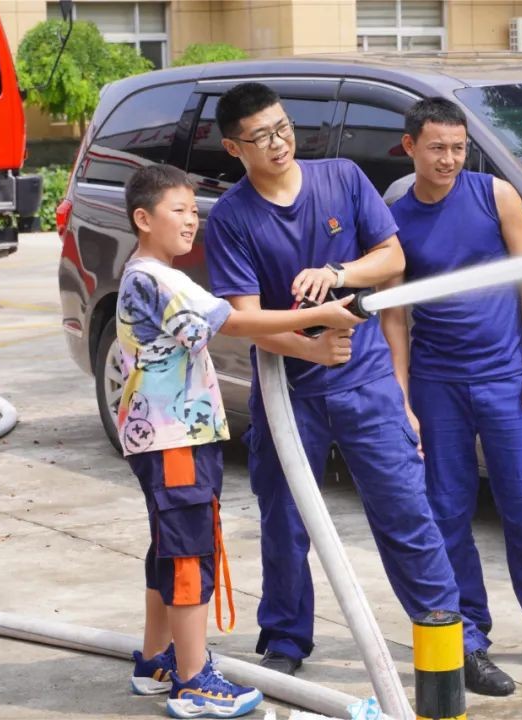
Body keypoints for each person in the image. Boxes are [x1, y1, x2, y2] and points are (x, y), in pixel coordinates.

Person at [203, 82, 469, 679]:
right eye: (261, 137)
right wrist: (312, 345)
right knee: (285, 518)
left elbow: (392, 258)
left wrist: (336, 273)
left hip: (366, 382)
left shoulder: (342, 178)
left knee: (405, 511)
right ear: (233, 147)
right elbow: (245, 319)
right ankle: (287, 641)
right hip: (288, 391)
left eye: (283, 127)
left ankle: (453, 641)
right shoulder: (231, 220)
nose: (278, 143)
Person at [118, 163, 365, 717]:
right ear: (143, 218)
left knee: (169, 546)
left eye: (192, 209)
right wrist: (320, 317)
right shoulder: (158, 278)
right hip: (172, 439)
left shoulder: (152, 274)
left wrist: (308, 339)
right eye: (177, 210)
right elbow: (229, 320)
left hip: (167, 436)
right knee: (189, 554)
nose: (191, 220)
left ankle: (159, 658)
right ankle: (193, 682)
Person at [383, 97, 522, 694]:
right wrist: (403, 397)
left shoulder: (495, 196)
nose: (449, 158)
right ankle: (468, 634)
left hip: (505, 379)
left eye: (457, 146)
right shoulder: (398, 216)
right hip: (437, 383)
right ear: (410, 147)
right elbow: (395, 317)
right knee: (446, 514)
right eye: (436, 147)